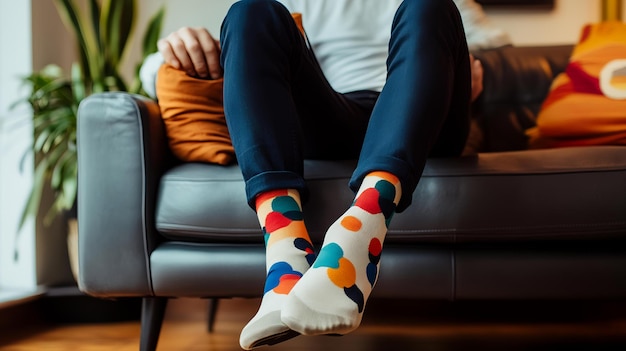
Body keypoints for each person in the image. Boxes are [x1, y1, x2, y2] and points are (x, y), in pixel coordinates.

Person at [153, 0, 497, 349]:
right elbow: (206, 63)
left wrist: (466, 70)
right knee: (249, 10)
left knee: (429, 5)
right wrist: (178, 44)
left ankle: (363, 227)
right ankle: (287, 258)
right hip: (331, 114)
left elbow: (496, 57)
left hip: (421, 118)